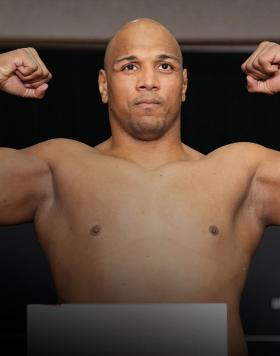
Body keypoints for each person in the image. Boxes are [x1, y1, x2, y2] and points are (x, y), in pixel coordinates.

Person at [0, 18, 279, 356]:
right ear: (103, 85)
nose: (148, 82)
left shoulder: (241, 171)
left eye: (164, 66)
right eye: (129, 66)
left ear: (184, 83)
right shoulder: (58, 169)